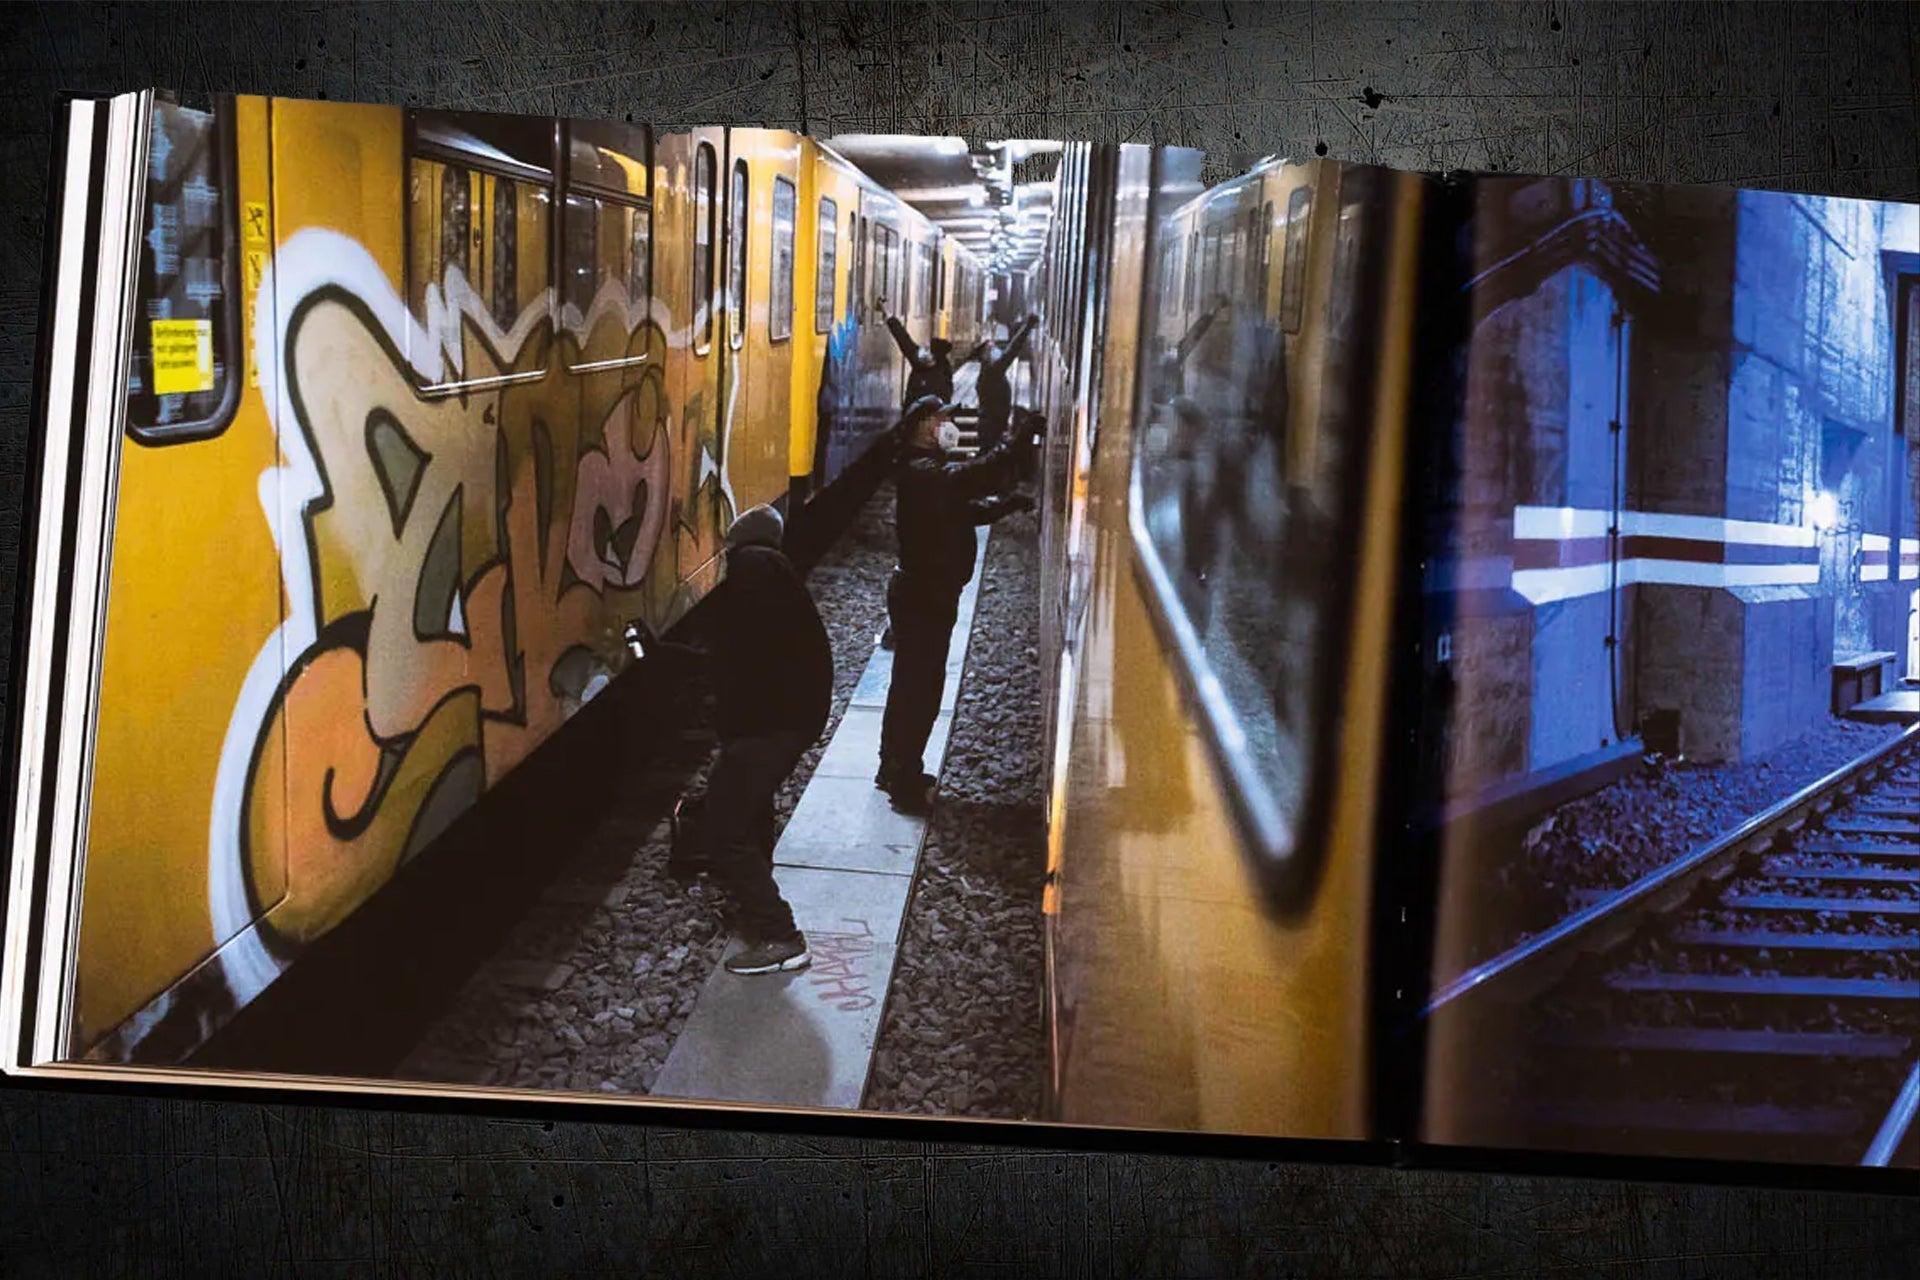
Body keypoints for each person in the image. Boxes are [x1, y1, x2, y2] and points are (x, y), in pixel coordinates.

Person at [649, 504, 833, 975]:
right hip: (784, 720)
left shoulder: (753, 571)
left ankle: (781, 936)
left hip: (770, 726)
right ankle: (756, 893)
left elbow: (733, 658)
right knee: (751, 810)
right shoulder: (775, 573)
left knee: (723, 828)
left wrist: (668, 655)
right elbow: (746, 654)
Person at [876, 396, 1034, 815]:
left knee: (911, 685)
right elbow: (972, 478)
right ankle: (904, 782)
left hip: (925, 593)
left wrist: (1006, 505)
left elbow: (963, 510)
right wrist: (1014, 442)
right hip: (923, 595)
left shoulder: (925, 472)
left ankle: (892, 768)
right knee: (919, 690)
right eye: (943, 418)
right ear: (923, 426)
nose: (950, 425)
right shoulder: (922, 472)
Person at [962, 313, 1038, 453]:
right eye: (991, 348)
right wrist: (1027, 327)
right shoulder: (992, 372)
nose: (995, 349)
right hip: (991, 429)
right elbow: (1012, 351)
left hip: (990, 427)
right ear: (985, 355)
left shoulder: (988, 372)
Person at [885, 306, 956, 408]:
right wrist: (889, 317)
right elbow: (903, 339)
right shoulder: (918, 360)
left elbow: (944, 401)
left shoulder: (942, 376)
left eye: (927, 349)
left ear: (934, 356)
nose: (923, 350)